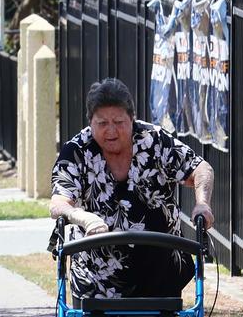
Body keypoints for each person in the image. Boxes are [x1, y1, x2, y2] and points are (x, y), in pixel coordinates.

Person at [50, 78, 215, 301]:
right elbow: (58, 203)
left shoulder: (154, 140)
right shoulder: (76, 151)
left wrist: (202, 203)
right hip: (97, 279)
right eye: (102, 123)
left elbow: (200, 168)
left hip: (161, 269)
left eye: (118, 122)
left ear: (132, 118)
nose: (111, 130)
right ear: (90, 122)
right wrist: (83, 218)